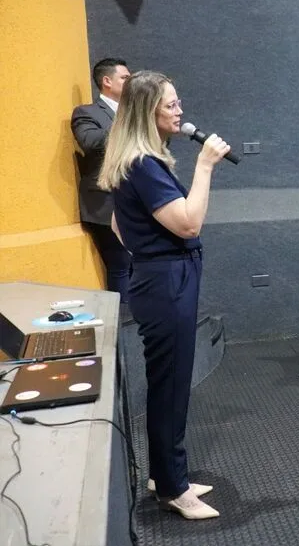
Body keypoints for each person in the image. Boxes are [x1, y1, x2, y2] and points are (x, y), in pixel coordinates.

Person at [98, 71, 229, 519]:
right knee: (171, 385)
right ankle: (173, 488)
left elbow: (120, 227)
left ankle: (165, 473)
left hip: (161, 276)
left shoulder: (134, 161)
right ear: (147, 112)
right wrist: (206, 166)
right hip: (167, 281)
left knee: (168, 383)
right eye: (171, 105)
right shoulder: (144, 164)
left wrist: (149, 255)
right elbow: (189, 223)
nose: (180, 111)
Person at [71, 58, 132, 302]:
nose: (130, 82)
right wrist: (128, 122)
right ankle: (123, 328)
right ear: (107, 81)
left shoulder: (133, 112)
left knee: (139, 264)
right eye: (124, 78)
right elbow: (90, 142)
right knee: (120, 263)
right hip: (105, 203)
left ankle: (141, 325)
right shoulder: (86, 112)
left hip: (134, 198)